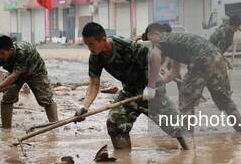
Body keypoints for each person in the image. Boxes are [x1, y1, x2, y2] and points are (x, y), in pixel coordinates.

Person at [76, 22, 188, 150]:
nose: (89, 48)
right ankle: (124, 162)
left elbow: (155, 57)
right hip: (130, 91)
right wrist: (84, 106)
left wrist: (151, 87)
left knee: (176, 126)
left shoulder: (125, 46)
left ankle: (191, 155)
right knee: (115, 123)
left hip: (152, 89)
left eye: (91, 44)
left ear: (102, 40)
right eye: (87, 45)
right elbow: (94, 84)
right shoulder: (95, 57)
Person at [149, 31, 241, 138]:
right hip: (217, 57)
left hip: (202, 58)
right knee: (224, 99)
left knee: (186, 101)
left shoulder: (162, 40)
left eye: (150, 38)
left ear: (156, 34)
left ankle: (187, 138)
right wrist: (160, 83)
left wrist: (152, 85)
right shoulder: (173, 44)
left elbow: (155, 58)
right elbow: (175, 72)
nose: (151, 43)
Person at [0, 35, 58, 129]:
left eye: (2, 53)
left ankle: (55, 126)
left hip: (35, 72)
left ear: (11, 50)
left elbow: (14, 76)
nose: (0, 56)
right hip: (15, 73)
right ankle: (6, 129)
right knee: (7, 98)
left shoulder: (24, 51)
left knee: (46, 99)